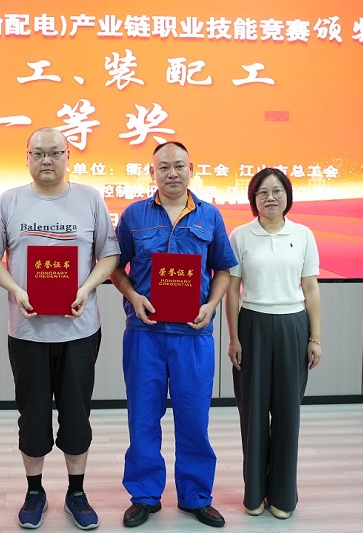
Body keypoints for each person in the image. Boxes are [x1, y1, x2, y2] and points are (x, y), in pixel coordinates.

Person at [0, 127, 120, 530]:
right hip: (28, 332)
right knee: (32, 416)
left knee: (77, 415)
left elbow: (109, 255)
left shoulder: (90, 198)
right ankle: (34, 491)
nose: (46, 160)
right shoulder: (10, 201)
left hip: (80, 331)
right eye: (38, 153)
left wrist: (86, 289)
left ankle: (76, 492)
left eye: (55, 152)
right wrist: (16, 289)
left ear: (68, 157)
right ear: (27, 158)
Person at [110, 141, 236, 529]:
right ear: (152, 173)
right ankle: (145, 495)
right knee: (143, 416)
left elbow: (224, 270)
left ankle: (195, 495)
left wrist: (211, 306)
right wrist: (133, 296)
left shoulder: (210, 216)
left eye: (179, 165)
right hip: (145, 334)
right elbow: (114, 267)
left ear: (191, 169)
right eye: (163, 166)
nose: (172, 173)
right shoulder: (133, 215)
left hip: (193, 335)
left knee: (194, 417)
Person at [225, 167, 322, 520]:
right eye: (262, 192)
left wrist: (315, 338)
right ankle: (254, 493)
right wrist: (234, 337)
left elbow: (311, 289)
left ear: (287, 196)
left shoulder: (304, 235)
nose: (270, 197)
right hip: (252, 325)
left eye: (277, 191)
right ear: (253, 198)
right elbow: (232, 292)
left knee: (287, 413)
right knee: (252, 413)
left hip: (293, 327)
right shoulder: (240, 236)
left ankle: (282, 495)